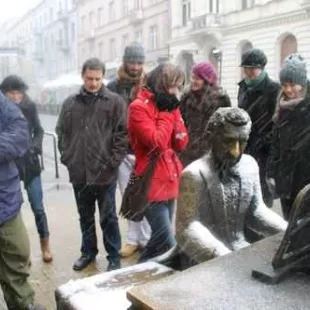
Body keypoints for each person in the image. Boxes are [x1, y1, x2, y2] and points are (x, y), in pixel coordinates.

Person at [166, 107, 287, 269]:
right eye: (228, 141)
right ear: (211, 138)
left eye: (242, 141)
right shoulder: (194, 174)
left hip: (240, 250)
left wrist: (286, 231)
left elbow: (256, 211)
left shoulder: (249, 165)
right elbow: (187, 228)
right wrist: (220, 255)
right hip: (203, 262)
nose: (235, 151)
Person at [56, 58, 128, 272]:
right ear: (82, 76)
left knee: (108, 217)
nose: (94, 83)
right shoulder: (70, 103)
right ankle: (88, 252)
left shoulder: (114, 102)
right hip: (80, 173)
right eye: (89, 78)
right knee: (85, 216)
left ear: (103, 77)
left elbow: (122, 135)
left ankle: (113, 256)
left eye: (97, 79)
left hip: (105, 173)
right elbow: (61, 133)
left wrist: (113, 162)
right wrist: (67, 157)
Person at [128, 63, 188, 262]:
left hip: (170, 178)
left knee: (158, 239)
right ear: (162, 85)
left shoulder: (168, 103)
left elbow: (180, 142)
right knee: (168, 241)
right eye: (174, 86)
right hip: (150, 182)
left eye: (180, 87)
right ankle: (177, 277)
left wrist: (173, 112)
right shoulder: (139, 107)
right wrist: (166, 113)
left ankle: (136, 272)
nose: (177, 91)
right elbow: (158, 143)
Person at [0, 90, 45, 310]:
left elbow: (20, 133)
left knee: (17, 255)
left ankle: (23, 304)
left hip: (5, 202)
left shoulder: (3, 104)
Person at [0, 75, 53, 263]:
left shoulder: (29, 106)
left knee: (38, 207)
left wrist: (35, 147)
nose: (15, 97)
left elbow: (38, 130)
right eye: (10, 93)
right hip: (9, 167)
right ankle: (19, 248)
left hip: (30, 165)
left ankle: (45, 245)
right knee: (14, 210)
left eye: (18, 92)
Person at [107, 42, 151, 258]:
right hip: (123, 151)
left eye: (139, 62)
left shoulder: (150, 84)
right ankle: (134, 239)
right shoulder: (113, 86)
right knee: (129, 197)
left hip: (146, 150)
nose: (135, 67)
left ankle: (148, 238)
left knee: (149, 196)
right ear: (125, 61)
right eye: (132, 62)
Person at [268, 54, 310, 220]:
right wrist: (272, 172)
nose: (288, 90)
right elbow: (275, 143)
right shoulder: (281, 107)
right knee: (290, 224)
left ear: (303, 83)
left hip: (305, 179)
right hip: (286, 181)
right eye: (285, 85)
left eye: (293, 85)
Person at [238, 48, 280, 208]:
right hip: (245, 145)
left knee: (262, 189)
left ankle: (262, 223)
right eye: (245, 68)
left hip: (264, 149)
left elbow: (276, 122)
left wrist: (264, 141)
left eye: (252, 69)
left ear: (261, 68)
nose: (248, 72)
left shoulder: (273, 89)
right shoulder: (243, 87)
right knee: (245, 185)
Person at [180, 61, 231, 167]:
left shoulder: (220, 99)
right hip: (187, 150)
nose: (193, 81)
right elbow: (181, 122)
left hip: (210, 151)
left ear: (207, 80)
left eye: (197, 78)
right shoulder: (186, 97)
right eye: (192, 77)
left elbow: (225, 128)